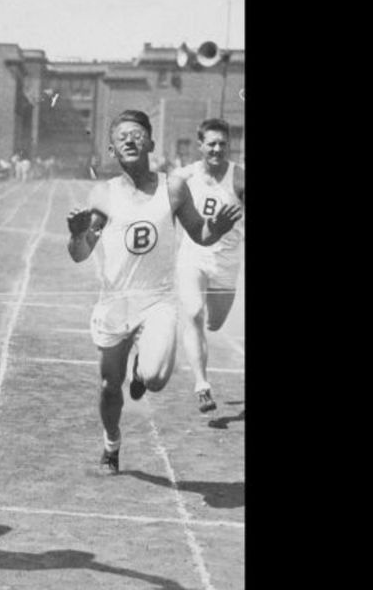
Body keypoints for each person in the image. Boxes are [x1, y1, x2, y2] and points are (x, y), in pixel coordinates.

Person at [65, 110, 241, 475]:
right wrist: (76, 234)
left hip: (157, 298)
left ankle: (142, 372)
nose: (130, 140)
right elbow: (81, 253)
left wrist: (217, 228)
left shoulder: (173, 187)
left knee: (157, 378)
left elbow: (201, 234)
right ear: (112, 149)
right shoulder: (104, 193)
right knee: (108, 387)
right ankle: (111, 445)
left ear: (150, 142)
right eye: (122, 136)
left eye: (137, 134)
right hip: (115, 301)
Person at [174, 118, 245, 412]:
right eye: (211, 144)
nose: (217, 149)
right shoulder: (183, 176)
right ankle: (202, 384)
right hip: (193, 257)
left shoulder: (239, 178)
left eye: (222, 144)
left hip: (226, 261)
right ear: (200, 145)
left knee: (214, 323)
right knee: (193, 313)